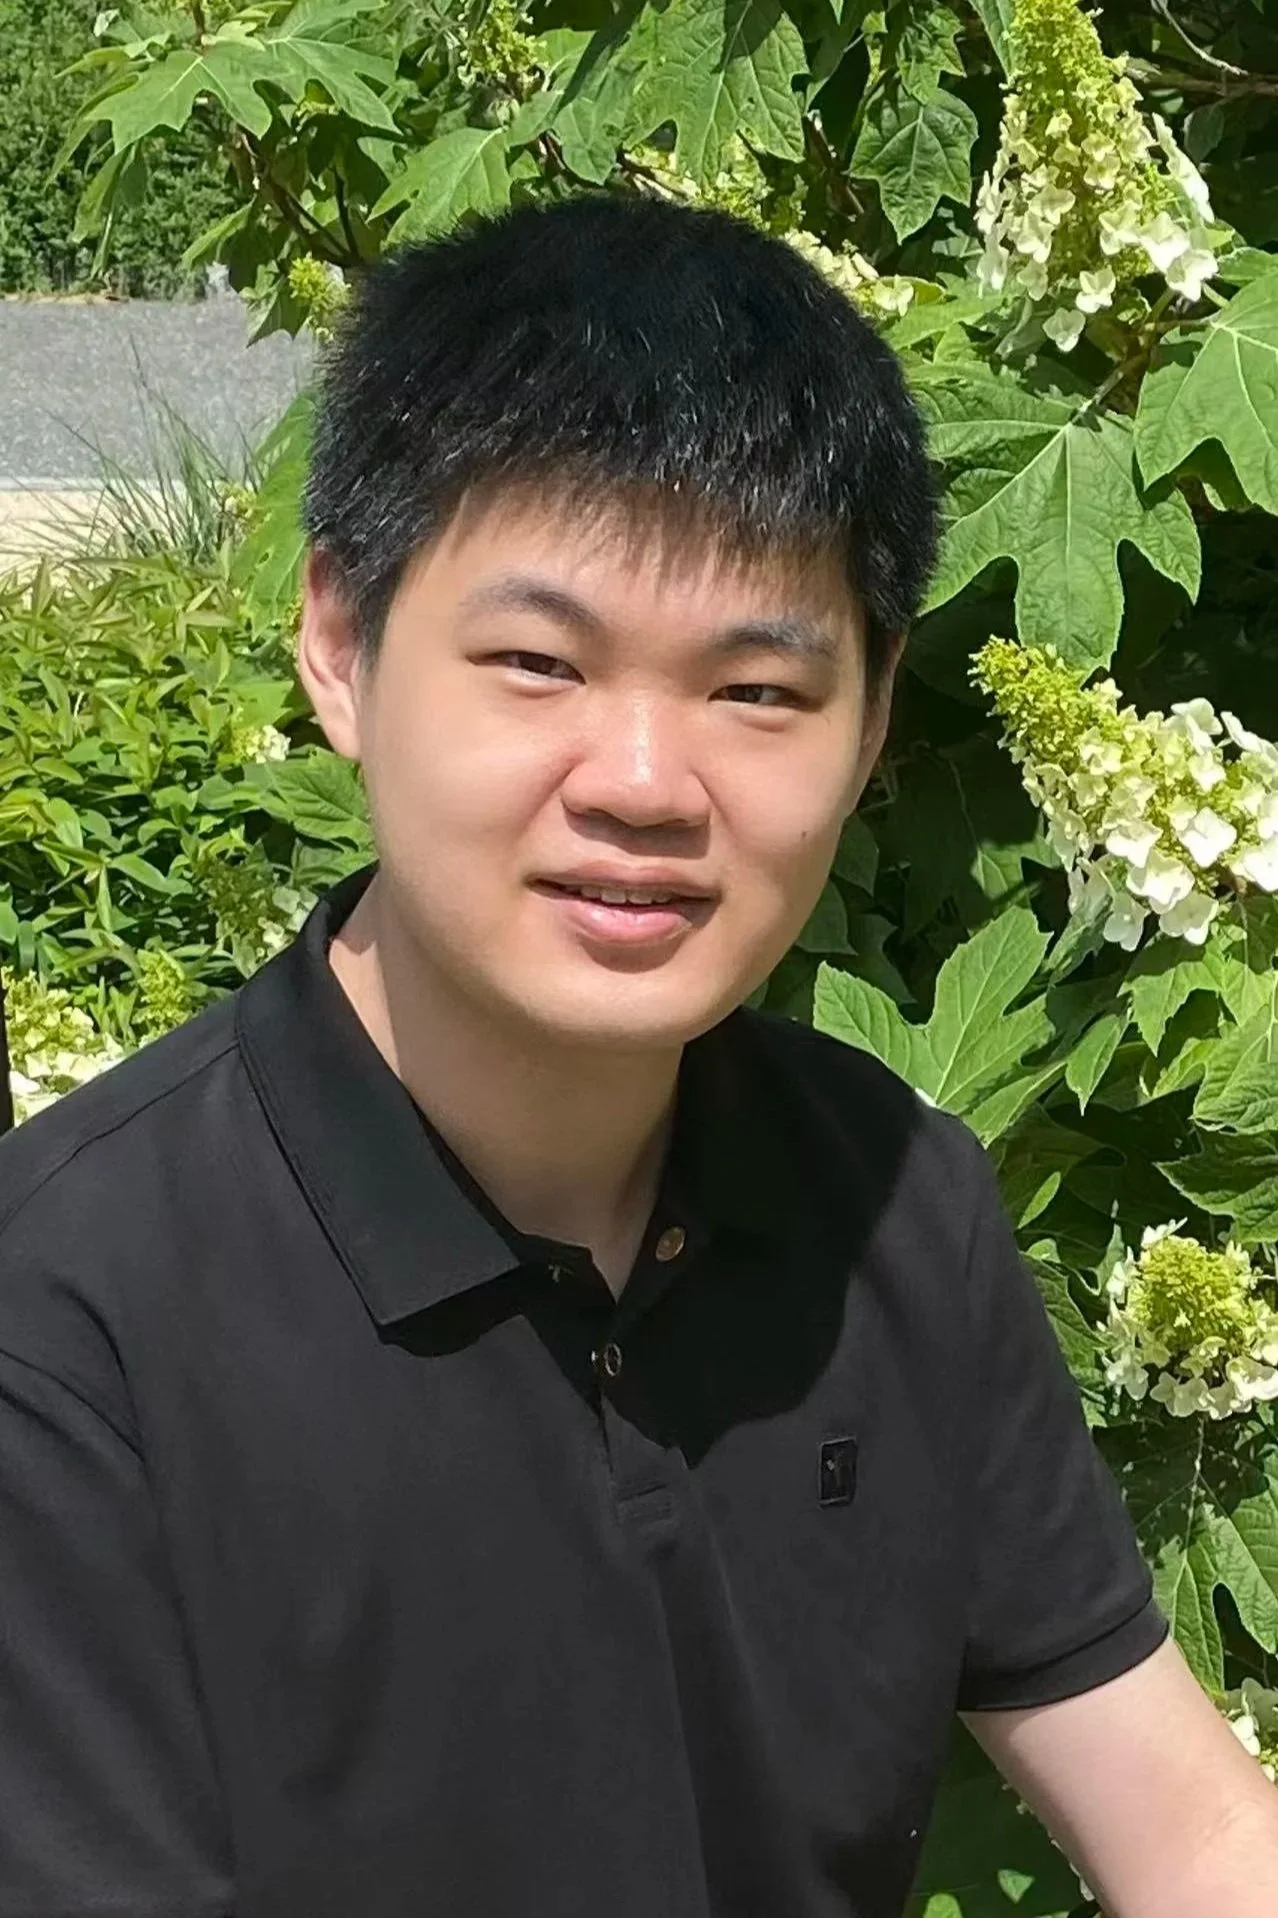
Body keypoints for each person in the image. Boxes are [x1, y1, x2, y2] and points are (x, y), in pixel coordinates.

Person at [1, 195, 1275, 1918]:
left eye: (756, 690)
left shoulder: (891, 1200)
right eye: (539, 663)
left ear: (871, 720)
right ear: (339, 645)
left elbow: (1194, 1835)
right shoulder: (65, 1319)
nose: (645, 784)